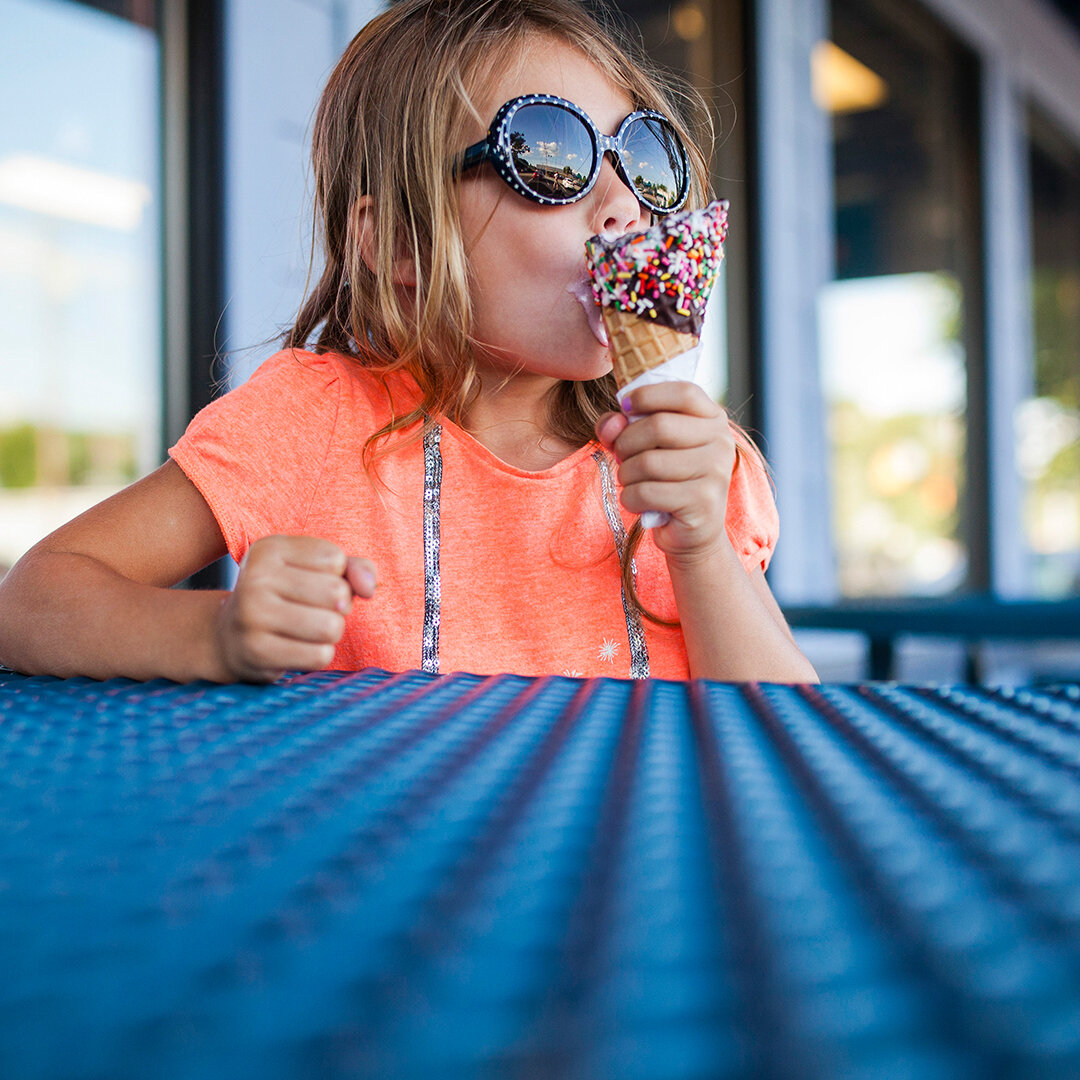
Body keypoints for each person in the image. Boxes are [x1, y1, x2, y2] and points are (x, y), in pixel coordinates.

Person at [0, 0, 817, 685]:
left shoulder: (701, 469)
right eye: (551, 156)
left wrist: (702, 544)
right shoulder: (313, 423)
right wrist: (214, 636)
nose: (623, 205)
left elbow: (789, 735)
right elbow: (31, 602)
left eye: (646, 159)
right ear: (403, 246)